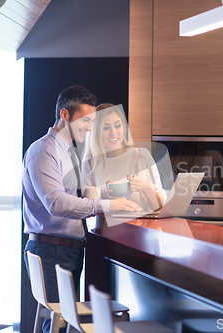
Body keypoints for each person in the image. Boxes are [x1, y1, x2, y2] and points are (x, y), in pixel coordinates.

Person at [22, 87, 141, 333]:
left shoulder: (70, 153)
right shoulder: (44, 151)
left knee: (60, 324)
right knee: (57, 324)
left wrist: (118, 191)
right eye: (85, 120)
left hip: (64, 250)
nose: (90, 127)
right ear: (65, 115)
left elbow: (81, 195)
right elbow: (56, 203)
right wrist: (106, 205)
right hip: (52, 250)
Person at [82, 103, 167, 212]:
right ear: (96, 132)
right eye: (106, 128)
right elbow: (87, 209)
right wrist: (104, 199)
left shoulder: (141, 156)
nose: (113, 133)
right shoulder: (89, 164)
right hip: (105, 227)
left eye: (118, 125)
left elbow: (161, 206)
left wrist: (145, 188)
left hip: (141, 227)